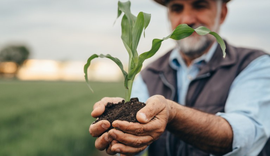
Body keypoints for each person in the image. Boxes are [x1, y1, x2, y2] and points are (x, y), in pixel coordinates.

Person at [89, 0, 270, 155]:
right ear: (169, 15)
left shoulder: (253, 64)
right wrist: (117, 133)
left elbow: (247, 137)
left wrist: (173, 114)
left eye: (199, 6)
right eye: (177, 8)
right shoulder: (149, 74)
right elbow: (135, 142)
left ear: (221, 14)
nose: (187, 20)